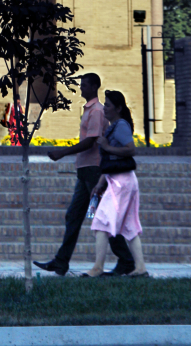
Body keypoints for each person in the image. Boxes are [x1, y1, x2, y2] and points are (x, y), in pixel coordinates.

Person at [33, 73, 136, 276]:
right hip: (84, 172)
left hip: (93, 171)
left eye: (85, 85)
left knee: (101, 216)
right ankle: (61, 262)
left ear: (95, 87)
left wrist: (62, 152)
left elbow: (91, 141)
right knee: (74, 215)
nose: (81, 88)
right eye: (81, 85)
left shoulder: (97, 111)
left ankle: (126, 260)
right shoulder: (90, 109)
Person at [83, 89, 148, 278]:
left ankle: (97, 268)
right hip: (120, 179)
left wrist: (106, 146)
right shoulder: (115, 126)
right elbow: (110, 162)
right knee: (129, 226)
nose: (105, 109)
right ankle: (141, 268)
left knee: (101, 221)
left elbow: (131, 149)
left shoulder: (120, 126)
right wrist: (101, 182)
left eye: (108, 105)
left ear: (118, 108)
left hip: (122, 182)